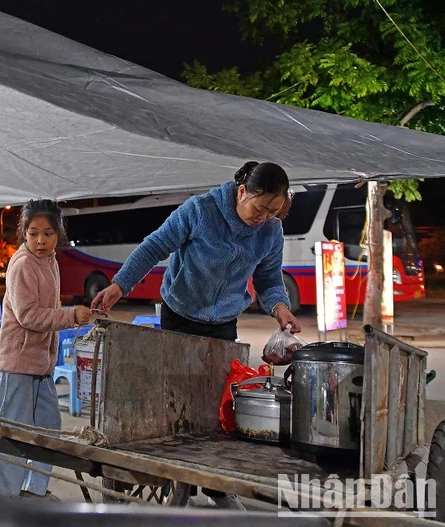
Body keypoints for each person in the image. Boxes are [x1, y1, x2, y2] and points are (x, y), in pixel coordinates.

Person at [91, 161, 301, 510]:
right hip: (180, 313)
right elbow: (154, 246)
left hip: (223, 320)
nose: (264, 216)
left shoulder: (270, 232)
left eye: (273, 211)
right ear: (242, 191)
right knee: (174, 397)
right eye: (260, 207)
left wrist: (280, 307)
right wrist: (120, 285)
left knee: (220, 402)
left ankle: (217, 485)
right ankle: (175, 471)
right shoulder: (200, 211)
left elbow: (268, 278)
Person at [0, 199, 92, 500]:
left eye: (47, 234)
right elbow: (29, 316)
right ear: (23, 234)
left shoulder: (51, 262)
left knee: (48, 428)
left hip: (42, 365)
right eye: (33, 234)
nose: (40, 241)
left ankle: (34, 491)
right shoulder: (22, 266)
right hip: (18, 363)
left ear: (59, 234)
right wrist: (70, 316)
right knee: (14, 435)